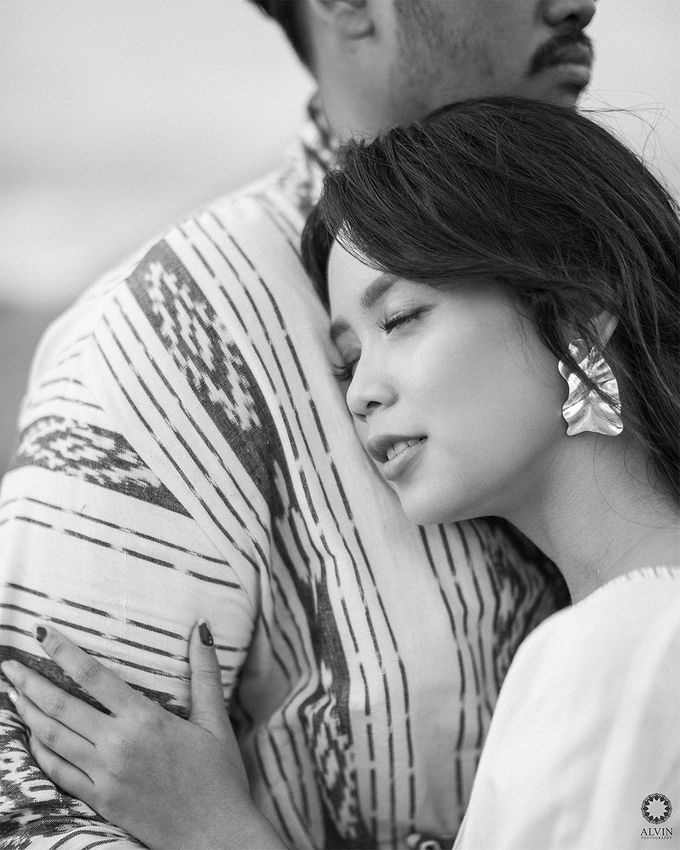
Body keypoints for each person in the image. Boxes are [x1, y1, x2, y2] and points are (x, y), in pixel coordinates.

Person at [4, 96, 678, 850]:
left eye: (401, 319)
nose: (360, 393)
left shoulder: (623, 654)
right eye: (348, 359)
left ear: (579, 312)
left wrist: (215, 830)